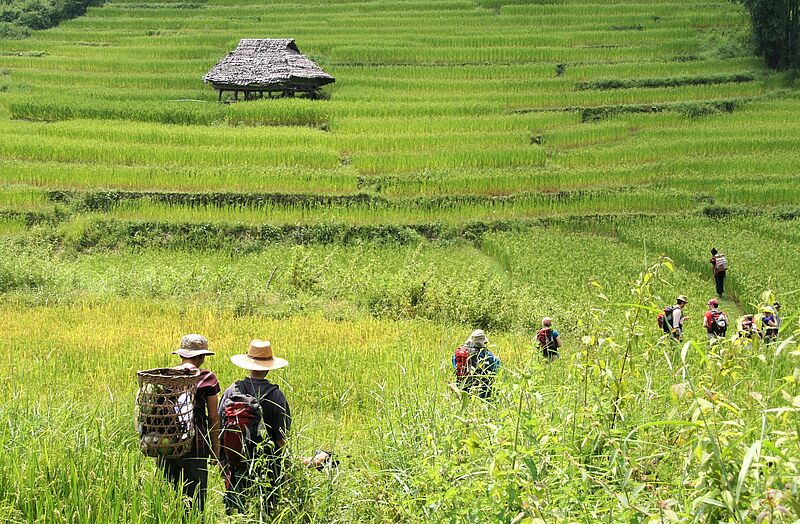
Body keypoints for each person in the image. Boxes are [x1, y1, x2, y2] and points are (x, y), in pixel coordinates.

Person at [219, 339, 291, 516]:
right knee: (266, 510)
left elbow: (219, 425)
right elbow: (281, 436)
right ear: (269, 367)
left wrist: (222, 459)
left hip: (236, 459)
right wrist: (286, 465)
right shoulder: (276, 395)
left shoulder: (232, 390)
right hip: (267, 462)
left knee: (236, 510)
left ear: (248, 365)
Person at [158, 334, 220, 514]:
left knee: (170, 502)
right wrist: (215, 450)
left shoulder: (165, 377)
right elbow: (213, 417)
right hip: (196, 447)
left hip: (167, 446)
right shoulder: (207, 377)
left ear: (181, 355)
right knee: (195, 505)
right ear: (201, 357)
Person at [452, 329, 501, 399]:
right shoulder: (487, 354)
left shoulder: (460, 353)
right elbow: (495, 368)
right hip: (482, 390)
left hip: (463, 387)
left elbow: (455, 367)